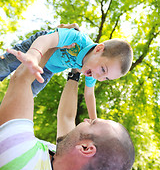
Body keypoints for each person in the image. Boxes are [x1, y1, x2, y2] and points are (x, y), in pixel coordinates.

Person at [0, 43, 135, 170]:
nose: (85, 120)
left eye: (92, 123)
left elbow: (22, 79)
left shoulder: (20, 161)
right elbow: (66, 117)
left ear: (86, 148)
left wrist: (54, 44)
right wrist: (75, 73)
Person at [0, 23, 133, 119]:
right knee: (5, 66)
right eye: (103, 69)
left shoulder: (93, 70)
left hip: (48, 69)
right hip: (38, 47)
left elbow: (89, 94)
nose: (99, 77)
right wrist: (34, 55)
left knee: (26, 95)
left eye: (106, 78)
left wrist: (94, 120)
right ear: (98, 50)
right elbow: (47, 40)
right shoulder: (77, 39)